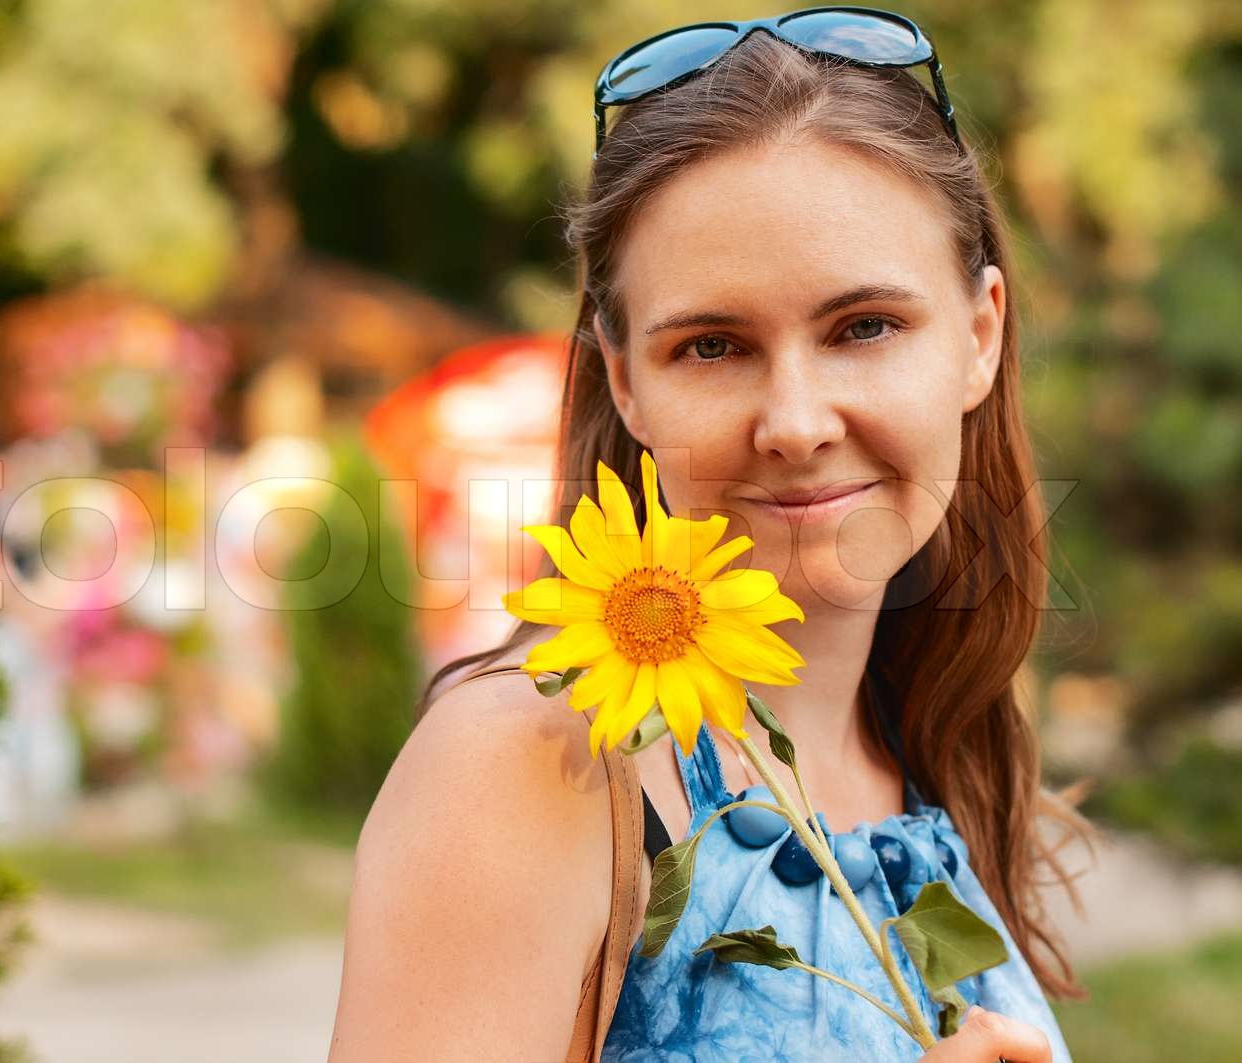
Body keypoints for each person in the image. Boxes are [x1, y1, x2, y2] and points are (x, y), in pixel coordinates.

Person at [329, 11, 1097, 1062]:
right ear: (626, 378)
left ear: (977, 335)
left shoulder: (933, 753)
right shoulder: (537, 760)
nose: (793, 421)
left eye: (863, 327)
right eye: (712, 345)